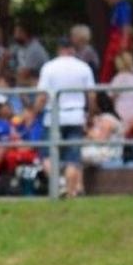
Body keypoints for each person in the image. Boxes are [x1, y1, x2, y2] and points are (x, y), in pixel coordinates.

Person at [34, 37, 97, 198]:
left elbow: (42, 96)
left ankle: (60, 183)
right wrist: (90, 115)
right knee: (73, 157)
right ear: (73, 49)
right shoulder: (83, 67)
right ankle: (70, 192)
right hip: (75, 115)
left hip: (52, 116)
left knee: (47, 154)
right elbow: (91, 96)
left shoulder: (49, 67)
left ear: (58, 49)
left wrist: (35, 112)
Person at [99, 0, 133, 82]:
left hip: (119, 39)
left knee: (117, 64)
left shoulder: (123, 7)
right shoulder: (117, 7)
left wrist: (124, 42)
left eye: (109, 0)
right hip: (117, 38)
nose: (108, 3)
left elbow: (126, 26)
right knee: (111, 65)